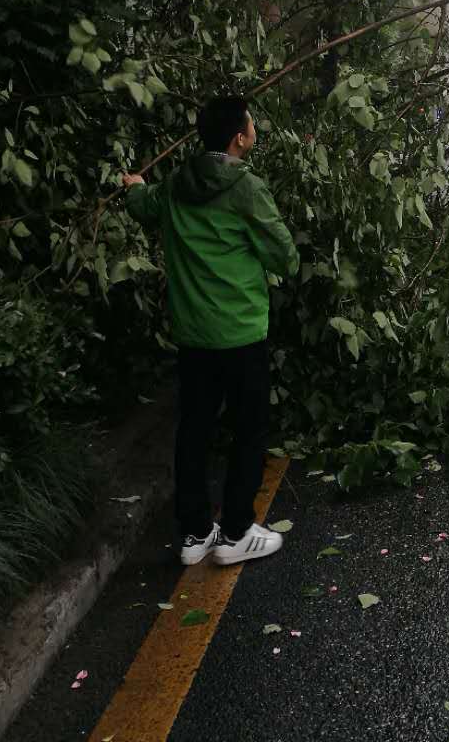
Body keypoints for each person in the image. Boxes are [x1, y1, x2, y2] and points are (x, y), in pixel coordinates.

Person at [122, 95, 299, 566]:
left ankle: (195, 533)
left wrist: (135, 186)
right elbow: (284, 255)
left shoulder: (178, 183)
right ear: (240, 137)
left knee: (194, 430)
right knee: (248, 429)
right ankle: (237, 532)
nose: (254, 125)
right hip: (241, 332)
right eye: (251, 121)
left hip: (193, 333)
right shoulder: (247, 189)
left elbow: (145, 205)